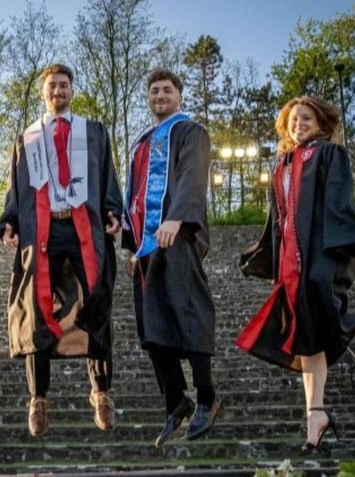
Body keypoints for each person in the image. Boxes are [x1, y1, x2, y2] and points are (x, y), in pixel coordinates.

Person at [237, 96, 355, 453]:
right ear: (286, 125)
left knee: (321, 310)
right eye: (294, 119)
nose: (299, 123)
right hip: (290, 260)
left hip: (320, 252)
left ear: (321, 123)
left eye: (307, 118)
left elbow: (338, 201)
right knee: (308, 335)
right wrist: (272, 260)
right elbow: (277, 217)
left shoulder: (330, 154)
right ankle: (315, 416)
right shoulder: (281, 163)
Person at [0, 63, 123, 438]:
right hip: (44, 227)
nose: (58, 91)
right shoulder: (28, 138)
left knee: (97, 301)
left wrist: (112, 210)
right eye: (51, 86)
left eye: (64, 85)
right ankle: (38, 399)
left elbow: (108, 177)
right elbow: (15, 187)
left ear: (72, 90)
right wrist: (9, 221)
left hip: (83, 223)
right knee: (37, 309)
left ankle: (101, 392)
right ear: (43, 92)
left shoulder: (94, 132)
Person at [122, 69, 222, 449]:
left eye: (167, 90)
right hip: (148, 247)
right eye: (154, 91)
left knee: (188, 311)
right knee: (152, 326)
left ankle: (208, 397)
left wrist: (177, 219)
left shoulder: (189, 132)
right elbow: (137, 193)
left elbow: (193, 177)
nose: (160, 95)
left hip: (178, 236)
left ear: (179, 95)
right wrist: (133, 244)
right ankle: (175, 400)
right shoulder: (142, 142)